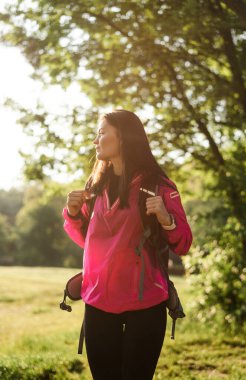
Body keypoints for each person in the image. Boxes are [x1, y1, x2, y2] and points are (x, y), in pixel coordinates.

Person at [62, 109, 192, 380]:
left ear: (122, 137)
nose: (96, 140)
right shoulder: (95, 187)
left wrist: (166, 219)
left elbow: (183, 244)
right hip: (98, 303)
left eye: (101, 133)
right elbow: (87, 242)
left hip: (145, 305)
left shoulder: (159, 186)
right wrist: (73, 215)